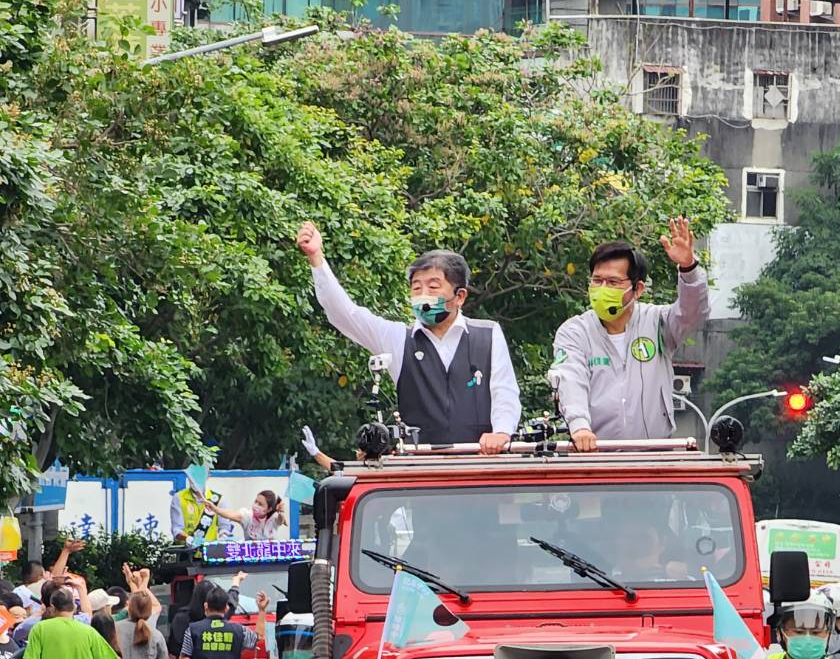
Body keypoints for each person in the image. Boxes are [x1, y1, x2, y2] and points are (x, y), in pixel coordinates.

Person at [297, 223, 521, 452]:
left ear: (460, 296)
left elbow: (504, 391)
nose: (423, 296)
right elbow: (346, 315)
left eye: (433, 287)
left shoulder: (488, 334)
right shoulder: (398, 338)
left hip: (481, 464)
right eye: (416, 288)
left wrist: (501, 432)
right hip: (419, 469)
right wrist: (317, 258)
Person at [547, 219, 710, 449]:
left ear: (638, 289)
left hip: (655, 460)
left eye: (613, 281)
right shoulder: (574, 331)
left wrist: (689, 268)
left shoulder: (658, 323)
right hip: (595, 457)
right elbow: (569, 377)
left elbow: (693, 312)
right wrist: (580, 426)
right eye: (597, 280)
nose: (602, 288)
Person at [204, 489, 288, 542]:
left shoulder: (273, 518)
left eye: (260, 504)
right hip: (251, 557)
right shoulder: (247, 515)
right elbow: (230, 514)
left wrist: (281, 511)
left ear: (269, 509)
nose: (256, 505)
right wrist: (215, 509)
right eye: (256, 501)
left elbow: (280, 520)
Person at [169, 480, 235, 545]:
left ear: (208, 476)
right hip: (186, 551)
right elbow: (176, 529)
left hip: (210, 551)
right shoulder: (179, 497)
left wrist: (223, 538)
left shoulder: (217, 499)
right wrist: (188, 539)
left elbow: (224, 527)